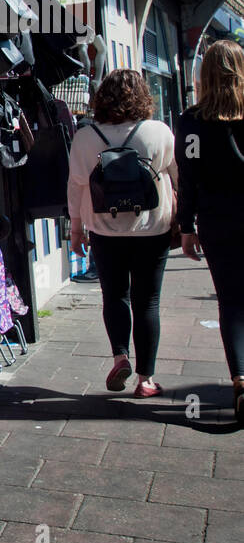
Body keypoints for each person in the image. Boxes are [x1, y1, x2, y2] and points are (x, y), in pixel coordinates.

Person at [67, 69, 177, 397]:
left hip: (104, 229)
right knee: (148, 301)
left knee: (114, 295)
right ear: (143, 96)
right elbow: (175, 174)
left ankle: (120, 356)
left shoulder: (86, 137)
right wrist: (185, 221)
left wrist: (75, 229)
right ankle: (145, 380)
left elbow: (75, 186)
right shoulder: (158, 132)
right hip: (152, 227)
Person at [176, 39, 244, 424]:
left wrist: (186, 227)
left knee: (232, 303)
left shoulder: (193, 122)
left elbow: (189, 176)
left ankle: (240, 378)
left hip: (218, 222)